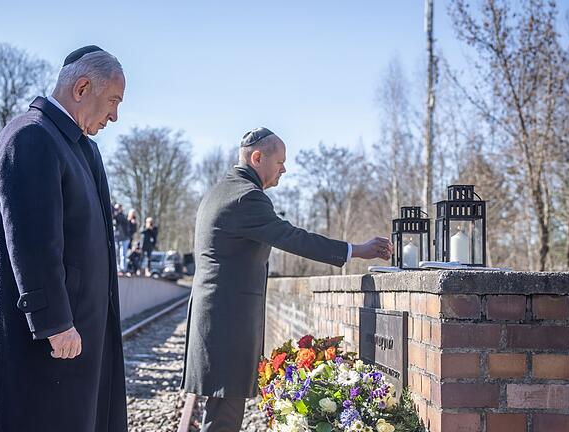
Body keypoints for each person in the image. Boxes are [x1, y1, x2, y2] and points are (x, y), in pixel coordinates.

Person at [0, 46, 128, 432]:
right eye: (113, 101)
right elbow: (32, 242)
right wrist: (54, 323)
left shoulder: (81, 148)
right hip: (41, 344)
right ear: (82, 88)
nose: (115, 116)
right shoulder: (31, 137)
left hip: (72, 343)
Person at [181, 127, 393, 431]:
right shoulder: (246, 198)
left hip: (217, 321)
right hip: (226, 325)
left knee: (220, 414)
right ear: (257, 158)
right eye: (280, 162)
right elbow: (294, 238)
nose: (284, 169)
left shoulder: (223, 190)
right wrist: (356, 250)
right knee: (223, 421)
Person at [112, 203, 131, 274]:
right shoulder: (114, 216)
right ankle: (118, 269)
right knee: (116, 254)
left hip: (124, 239)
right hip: (117, 238)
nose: (116, 210)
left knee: (122, 254)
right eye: (115, 209)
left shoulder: (123, 216)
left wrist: (116, 214)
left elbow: (120, 220)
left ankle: (123, 269)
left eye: (117, 209)